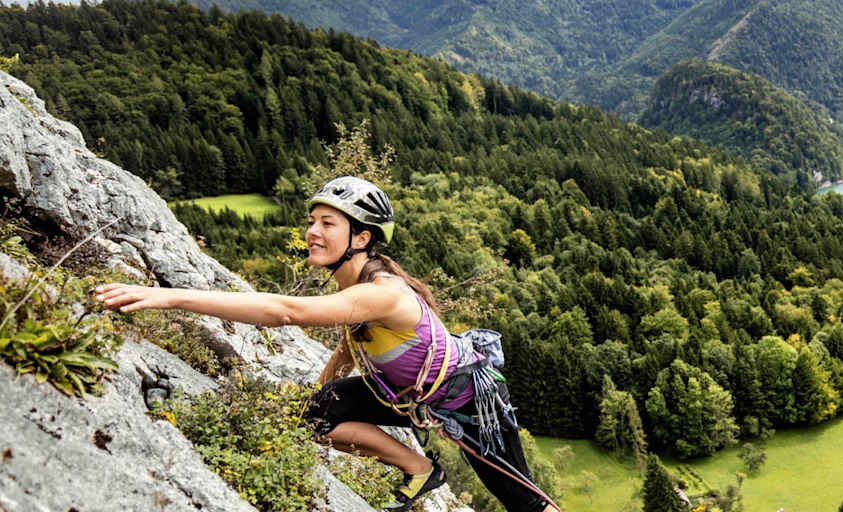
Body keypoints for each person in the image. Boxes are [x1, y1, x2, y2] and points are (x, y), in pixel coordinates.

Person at [95, 177, 559, 512]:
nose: (313, 232)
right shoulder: (354, 286)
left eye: (328, 224)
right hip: (414, 397)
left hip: (471, 405)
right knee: (315, 415)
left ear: (361, 237)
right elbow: (347, 347)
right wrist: (315, 394)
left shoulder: (382, 293)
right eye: (312, 221)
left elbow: (286, 313)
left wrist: (169, 296)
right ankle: (420, 469)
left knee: (524, 502)